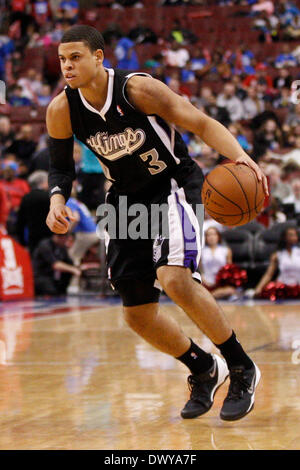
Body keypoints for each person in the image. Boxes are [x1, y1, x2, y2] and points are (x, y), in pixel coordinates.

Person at [45, 25, 268, 422]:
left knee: (175, 278)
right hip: (123, 201)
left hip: (173, 186)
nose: (67, 66)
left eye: (75, 57)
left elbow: (200, 123)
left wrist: (242, 158)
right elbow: (60, 168)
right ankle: (203, 368)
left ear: (99, 57)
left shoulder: (139, 90)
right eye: (62, 59)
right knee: (137, 314)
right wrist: (57, 200)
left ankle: (240, 365)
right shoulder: (61, 109)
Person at [254, 227, 300, 298]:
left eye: (295, 235)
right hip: (282, 289)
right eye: (291, 235)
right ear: (284, 238)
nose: (294, 237)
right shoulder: (277, 255)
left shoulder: (299, 252)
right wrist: (258, 288)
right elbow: (269, 274)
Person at [16, 170, 52, 253]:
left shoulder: (26, 197)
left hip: (32, 236)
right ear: (43, 182)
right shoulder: (48, 197)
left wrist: (22, 242)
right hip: (48, 235)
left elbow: (21, 221)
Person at [200, 227, 237, 300]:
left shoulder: (226, 250)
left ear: (218, 236)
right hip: (205, 282)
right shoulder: (201, 251)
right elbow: (200, 271)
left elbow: (229, 270)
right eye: (208, 235)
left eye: (214, 234)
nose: (211, 237)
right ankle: (210, 296)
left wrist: (220, 281)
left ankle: (209, 296)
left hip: (220, 283)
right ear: (205, 238)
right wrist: (204, 281)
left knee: (230, 290)